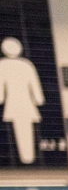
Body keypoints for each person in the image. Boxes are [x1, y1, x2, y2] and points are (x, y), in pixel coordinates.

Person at [0, 36, 45, 165]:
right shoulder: (27, 64)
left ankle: (26, 158)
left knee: (20, 130)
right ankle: (28, 157)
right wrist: (38, 99)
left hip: (13, 103)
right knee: (25, 130)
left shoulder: (3, 65)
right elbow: (35, 86)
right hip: (27, 104)